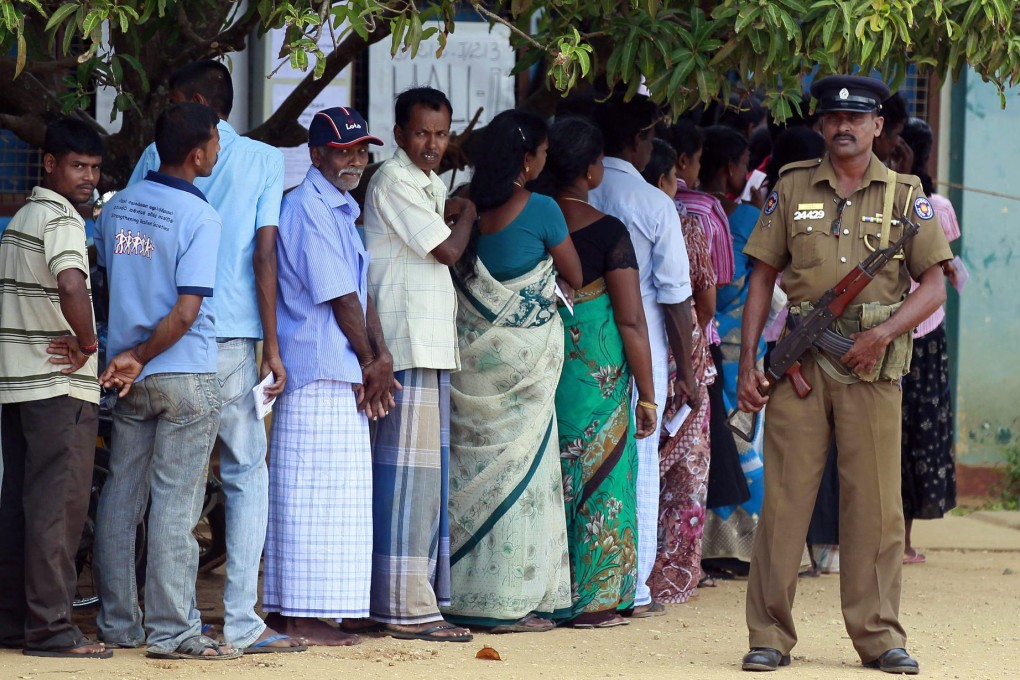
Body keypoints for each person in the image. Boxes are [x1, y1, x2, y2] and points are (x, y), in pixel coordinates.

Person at [737, 75, 953, 674]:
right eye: (833, 116)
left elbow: (933, 286)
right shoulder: (791, 186)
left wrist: (881, 335)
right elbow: (761, 277)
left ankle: (880, 636)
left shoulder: (906, 196)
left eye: (856, 118)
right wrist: (748, 360)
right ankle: (769, 635)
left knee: (876, 507)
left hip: (872, 368)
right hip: (801, 367)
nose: (843, 126)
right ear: (822, 123)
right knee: (783, 502)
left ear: (878, 126)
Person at [127, 60, 297, 652]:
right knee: (245, 475)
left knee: (168, 485)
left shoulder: (157, 155)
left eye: (176, 99)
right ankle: (243, 622)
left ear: (196, 101)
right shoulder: (265, 160)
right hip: (234, 340)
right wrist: (273, 346)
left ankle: (146, 619)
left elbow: (134, 245)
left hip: (166, 338)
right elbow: (264, 256)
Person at [93, 102, 236, 660]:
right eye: (217, 141)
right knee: (176, 508)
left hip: (131, 377)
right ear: (198, 154)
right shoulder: (201, 218)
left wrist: (129, 356)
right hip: (183, 373)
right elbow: (185, 313)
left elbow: (114, 275)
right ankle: (173, 631)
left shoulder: (119, 209)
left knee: (121, 499)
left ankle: (119, 622)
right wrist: (144, 353)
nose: (219, 150)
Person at [444, 109, 580, 632]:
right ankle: (511, 602)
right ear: (527, 158)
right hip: (526, 367)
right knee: (524, 478)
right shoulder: (543, 208)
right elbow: (574, 273)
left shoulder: (463, 208)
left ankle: (461, 595)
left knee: (471, 474)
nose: (546, 161)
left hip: (469, 366)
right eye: (542, 152)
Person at [262, 107, 392, 647]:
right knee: (312, 497)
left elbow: (360, 293)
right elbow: (340, 296)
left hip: (338, 368)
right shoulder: (309, 206)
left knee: (333, 497)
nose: (355, 160)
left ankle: (310, 612)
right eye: (343, 150)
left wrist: (379, 357)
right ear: (316, 155)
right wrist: (370, 362)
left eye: (361, 150)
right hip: (318, 369)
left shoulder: (339, 209)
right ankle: (298, 616)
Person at [361, 87, 477, 642]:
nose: (432, 144)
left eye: (441, 133)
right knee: (406, 485)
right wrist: (469, 211)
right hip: (402, 348)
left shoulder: (426, 183)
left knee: (423, 486)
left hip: (427, 347)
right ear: (401, 133)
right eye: (422, 133)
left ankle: (416, 599)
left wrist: (453, 207)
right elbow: (447, 251)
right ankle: (404, 608)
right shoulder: (393, 180)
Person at [0, 119, 109, 659]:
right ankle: (52, 631)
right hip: (57, 388)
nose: (88, 177)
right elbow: (71, 282)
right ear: (50, 164)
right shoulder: (63, 219)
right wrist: (88, 344)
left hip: (18, 387)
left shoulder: (22, 217)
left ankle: (15, 623)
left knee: (20, 506)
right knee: (56, 511)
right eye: (77, 166)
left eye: (93, 167)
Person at [541, 116, 654, 627]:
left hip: (543, 368)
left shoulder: (525, 219)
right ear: (592, 170)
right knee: (603, 478)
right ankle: (597, 599)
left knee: (549, 474)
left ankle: (547, 592)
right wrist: (649, 395)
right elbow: (630, 319)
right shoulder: (607, 231)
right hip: (599, 378)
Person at [589, 93, 698, 618]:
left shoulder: (575, 192)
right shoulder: (654, 204)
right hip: (642, 353)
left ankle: (585, 579)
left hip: (582, 348)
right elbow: (676, 298)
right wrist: (688, 371)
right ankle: (630, 587)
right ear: (637, 141)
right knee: (637, 467)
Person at [640, 138, 717, 603]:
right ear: (667, 178)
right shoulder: (685, 225)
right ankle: (672, 577)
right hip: (682, 365)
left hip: (635, 359)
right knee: (685, 479)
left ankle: (632, 570)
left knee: (638, 469)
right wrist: (686, 350)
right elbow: (703, 301)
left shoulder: (606, 208)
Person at [697, 125, 767, 574]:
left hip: (707, 340)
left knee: (711, 440)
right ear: (730, 169)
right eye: (743, 164)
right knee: (744, 442)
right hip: (740, 346)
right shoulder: (734, 219)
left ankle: (704, 544)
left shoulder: (695, 211)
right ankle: (743, 547)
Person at [897, 116, 961, 565]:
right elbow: (950, 272)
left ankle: (892, 539)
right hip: (923, 329)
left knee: (898, 430)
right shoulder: (933, 206)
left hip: (896, 325)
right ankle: (901, 540)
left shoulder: (922, 204)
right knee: (916, 431)